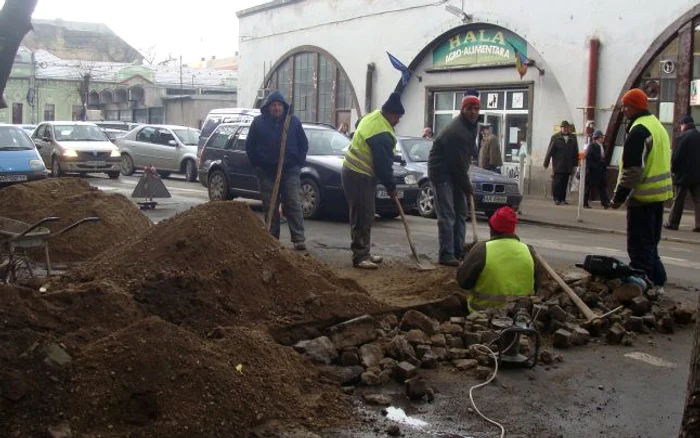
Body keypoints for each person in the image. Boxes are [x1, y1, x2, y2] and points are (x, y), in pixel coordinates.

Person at [610, 88, 674, 291]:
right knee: (650, 245)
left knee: (639, 247)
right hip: (658, 197)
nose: (623, 111)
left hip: (642, 199)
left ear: (632, 107)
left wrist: (618, 198)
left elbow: (632, 170)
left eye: (624, 106)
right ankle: (659, 281)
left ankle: (643, 286)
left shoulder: (639, 131)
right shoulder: (657, 126)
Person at [342, 92, 404, 269]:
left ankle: (365, 252)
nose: (398, 121)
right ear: (390, 114)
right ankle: (360, 256)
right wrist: (391, 187)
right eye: (398, 117)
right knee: (362, 215)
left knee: (366, 214)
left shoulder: (373, 116)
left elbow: (358, 124)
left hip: (355, 172)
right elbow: (383, 166)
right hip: (358, 175)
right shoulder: (382, 134)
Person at [245, 91, 309, 250]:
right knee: (270, 205)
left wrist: (298, 162)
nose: (277, 108)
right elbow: (249, 145)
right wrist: (257, 165)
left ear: (284, 107)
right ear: (268, 107)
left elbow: (303, 143)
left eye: (279, 105)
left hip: (289, 170)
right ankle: (272, 238)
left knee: (293, 202)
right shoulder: (258, 123)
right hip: (266, 171)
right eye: (274, 105)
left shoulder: (292, 121)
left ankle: (298, 238)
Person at [428, 89, 479, 266]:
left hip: (457, 171)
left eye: (475, 108)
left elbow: (470, 151)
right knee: (448, 215)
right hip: (442, 173)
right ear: (462, 109)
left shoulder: (472, 126)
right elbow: (456, 165)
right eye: (469, 108)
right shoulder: (456, 131)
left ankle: (459, 251)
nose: (473, 112)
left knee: (461, 213)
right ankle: (446, 254)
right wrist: (468, 188)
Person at [457, 206, 540, 312]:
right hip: (520, 315)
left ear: (492, 229)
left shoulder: (482, 250)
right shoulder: (528, 251)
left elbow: (463, 283)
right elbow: (537, 286)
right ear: (513, 229)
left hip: (483, 317)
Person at [664, 115, 700, 232]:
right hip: (698, 175)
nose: (680, 127)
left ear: (684, 124)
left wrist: (674, 170)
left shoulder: (682, 138)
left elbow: (676, 157)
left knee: (678, 199)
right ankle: (699, 225)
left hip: (683, 174)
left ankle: (673, 223)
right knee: (698, 200)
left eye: (680, 124)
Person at [544, 120, 579, 205]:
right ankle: (556, 198)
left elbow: (575, 152)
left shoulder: (573, 138)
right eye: (564, 127)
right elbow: (550, 151)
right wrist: (546, 162)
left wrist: (575, 164)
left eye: (567, 127)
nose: (565, 129)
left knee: (565, 183)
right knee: (557, 182)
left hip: (568, 165)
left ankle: (563, 198)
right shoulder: (555, 137)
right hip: (558, 165)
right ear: (561, 128)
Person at [583, 130, 610, 209]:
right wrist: (594, 166)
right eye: (601, 137)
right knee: (588, 187)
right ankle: (584, 202)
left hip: (601, 170)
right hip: (592, 171)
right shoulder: (592, 146)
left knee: (602, 187)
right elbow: (588, 158)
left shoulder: (602, 146)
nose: (602, 139)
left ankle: (605, 203)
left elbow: (603, 158)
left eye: (602, 137)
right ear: (597, 138)